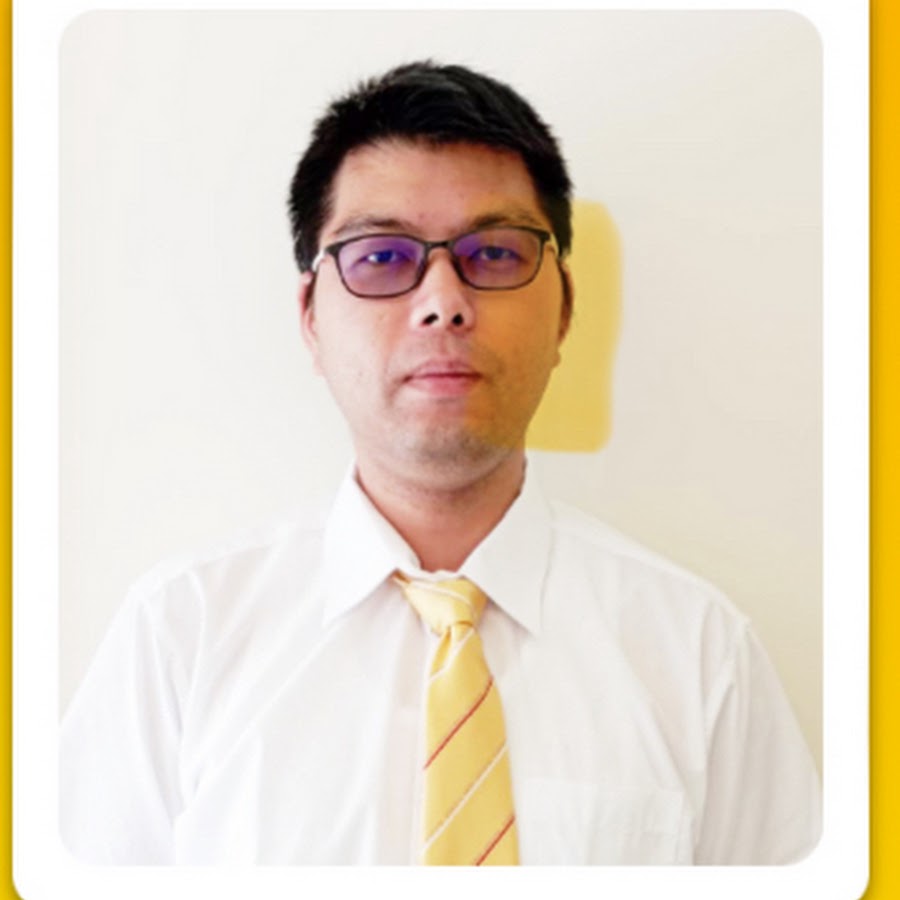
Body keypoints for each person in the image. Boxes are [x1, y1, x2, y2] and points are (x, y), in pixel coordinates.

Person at [60, 60, 821, 866]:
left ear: (564, 309)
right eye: (382, 257)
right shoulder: (180, 637)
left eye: (493, 253)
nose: (443, 301)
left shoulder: (699, 653)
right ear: (311, 317)